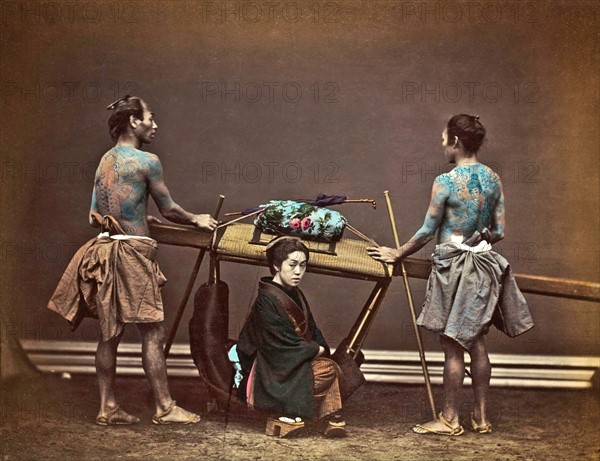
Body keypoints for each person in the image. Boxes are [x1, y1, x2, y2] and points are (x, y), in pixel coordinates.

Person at [48, 95, 218, 426]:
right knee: (153, 332)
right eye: (150, 119)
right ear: (133, 122)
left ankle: (107, 407)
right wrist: (196, 218)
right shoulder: (147, 160)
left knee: (109, 334)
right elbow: (168, 208)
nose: (155, 125)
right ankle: (165, 408)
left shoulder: (105, 161)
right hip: (131, 256)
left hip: (103, 249)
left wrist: (141, 220)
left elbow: (96, 217)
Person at [367, 114, 534, 436]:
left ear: (456, 141)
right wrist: (477, 238)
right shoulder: (493, 178)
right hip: (485, 265)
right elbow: (498, 231)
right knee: (477, 340)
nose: (442, 143)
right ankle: (482, 419)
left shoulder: (446, 181)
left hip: (454, 267)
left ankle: (449, 419)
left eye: (444, 138)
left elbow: (429, 230)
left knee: (453, 342)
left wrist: (397, 252)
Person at [236, 236, 347, 437]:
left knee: (339, 366)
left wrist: (318, 346)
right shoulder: (265, 301)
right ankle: (291, 412)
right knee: (330, 369)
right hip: (271, 369)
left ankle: (326, 416)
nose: (298, 272)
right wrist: (317, 349)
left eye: (303, 266)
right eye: (293, 265)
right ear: (276, 265)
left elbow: (313, 329)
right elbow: (278, 346)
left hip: (293, 361)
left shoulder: (296, 293)